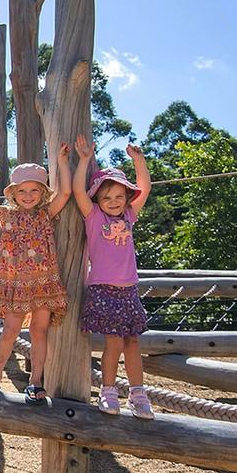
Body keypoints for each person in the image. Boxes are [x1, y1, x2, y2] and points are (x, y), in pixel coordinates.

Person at [0, 147, 72, 403]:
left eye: (34, 190)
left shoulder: (46, 213)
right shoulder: (6, 215)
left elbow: (67, 192)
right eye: (22, 191)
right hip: (15, 282)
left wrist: (60, 162)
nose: (28, 196)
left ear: (43, 193)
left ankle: (36, 381)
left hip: (43, 281)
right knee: (10, 330)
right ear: (13, 194)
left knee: (40, 331)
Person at [73, 135, 154, 419]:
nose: (114, 201)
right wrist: (84, 160)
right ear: (98, 199)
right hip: (104, 289)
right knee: (114, 343)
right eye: (107, 197)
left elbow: (145, 188)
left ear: (126, 199)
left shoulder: (129, 216)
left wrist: (139, 161)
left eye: (120, 196)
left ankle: (138, 392)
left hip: (129, 289)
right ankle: (108, 391)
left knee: (133, 342)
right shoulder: (93, 216)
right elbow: (78, 193)